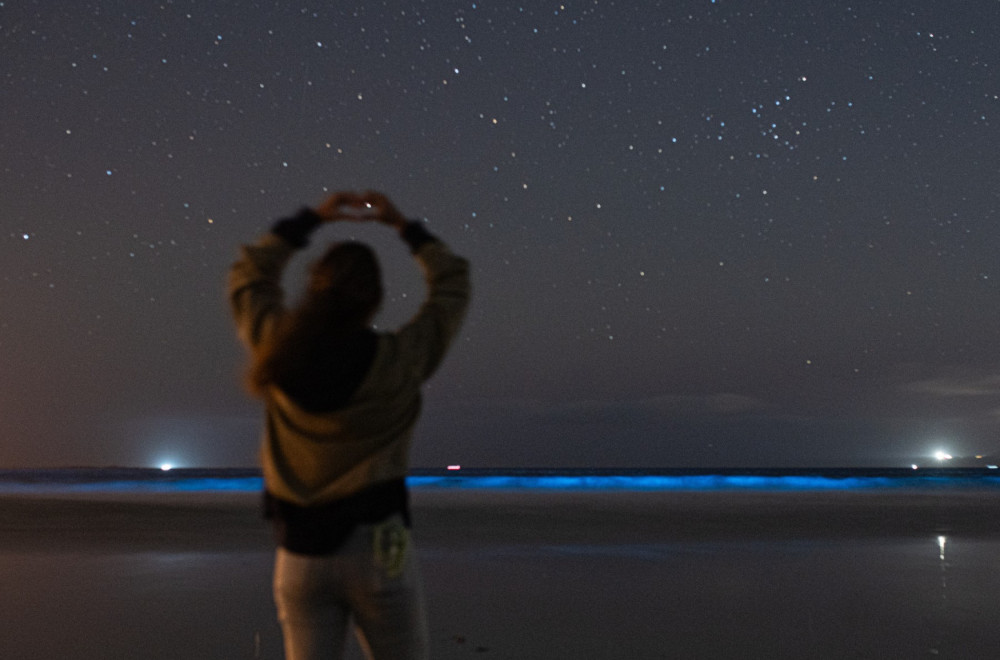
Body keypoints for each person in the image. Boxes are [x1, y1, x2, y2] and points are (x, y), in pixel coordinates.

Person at [228, 190, 471, 660]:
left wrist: (311, 219)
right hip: (380, 547)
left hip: (300, 553)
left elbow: (249, 274)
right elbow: (453, 283)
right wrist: (403, 225)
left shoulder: (276, 348)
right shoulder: (399, 361)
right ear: (375, 298)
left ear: (315, 288)